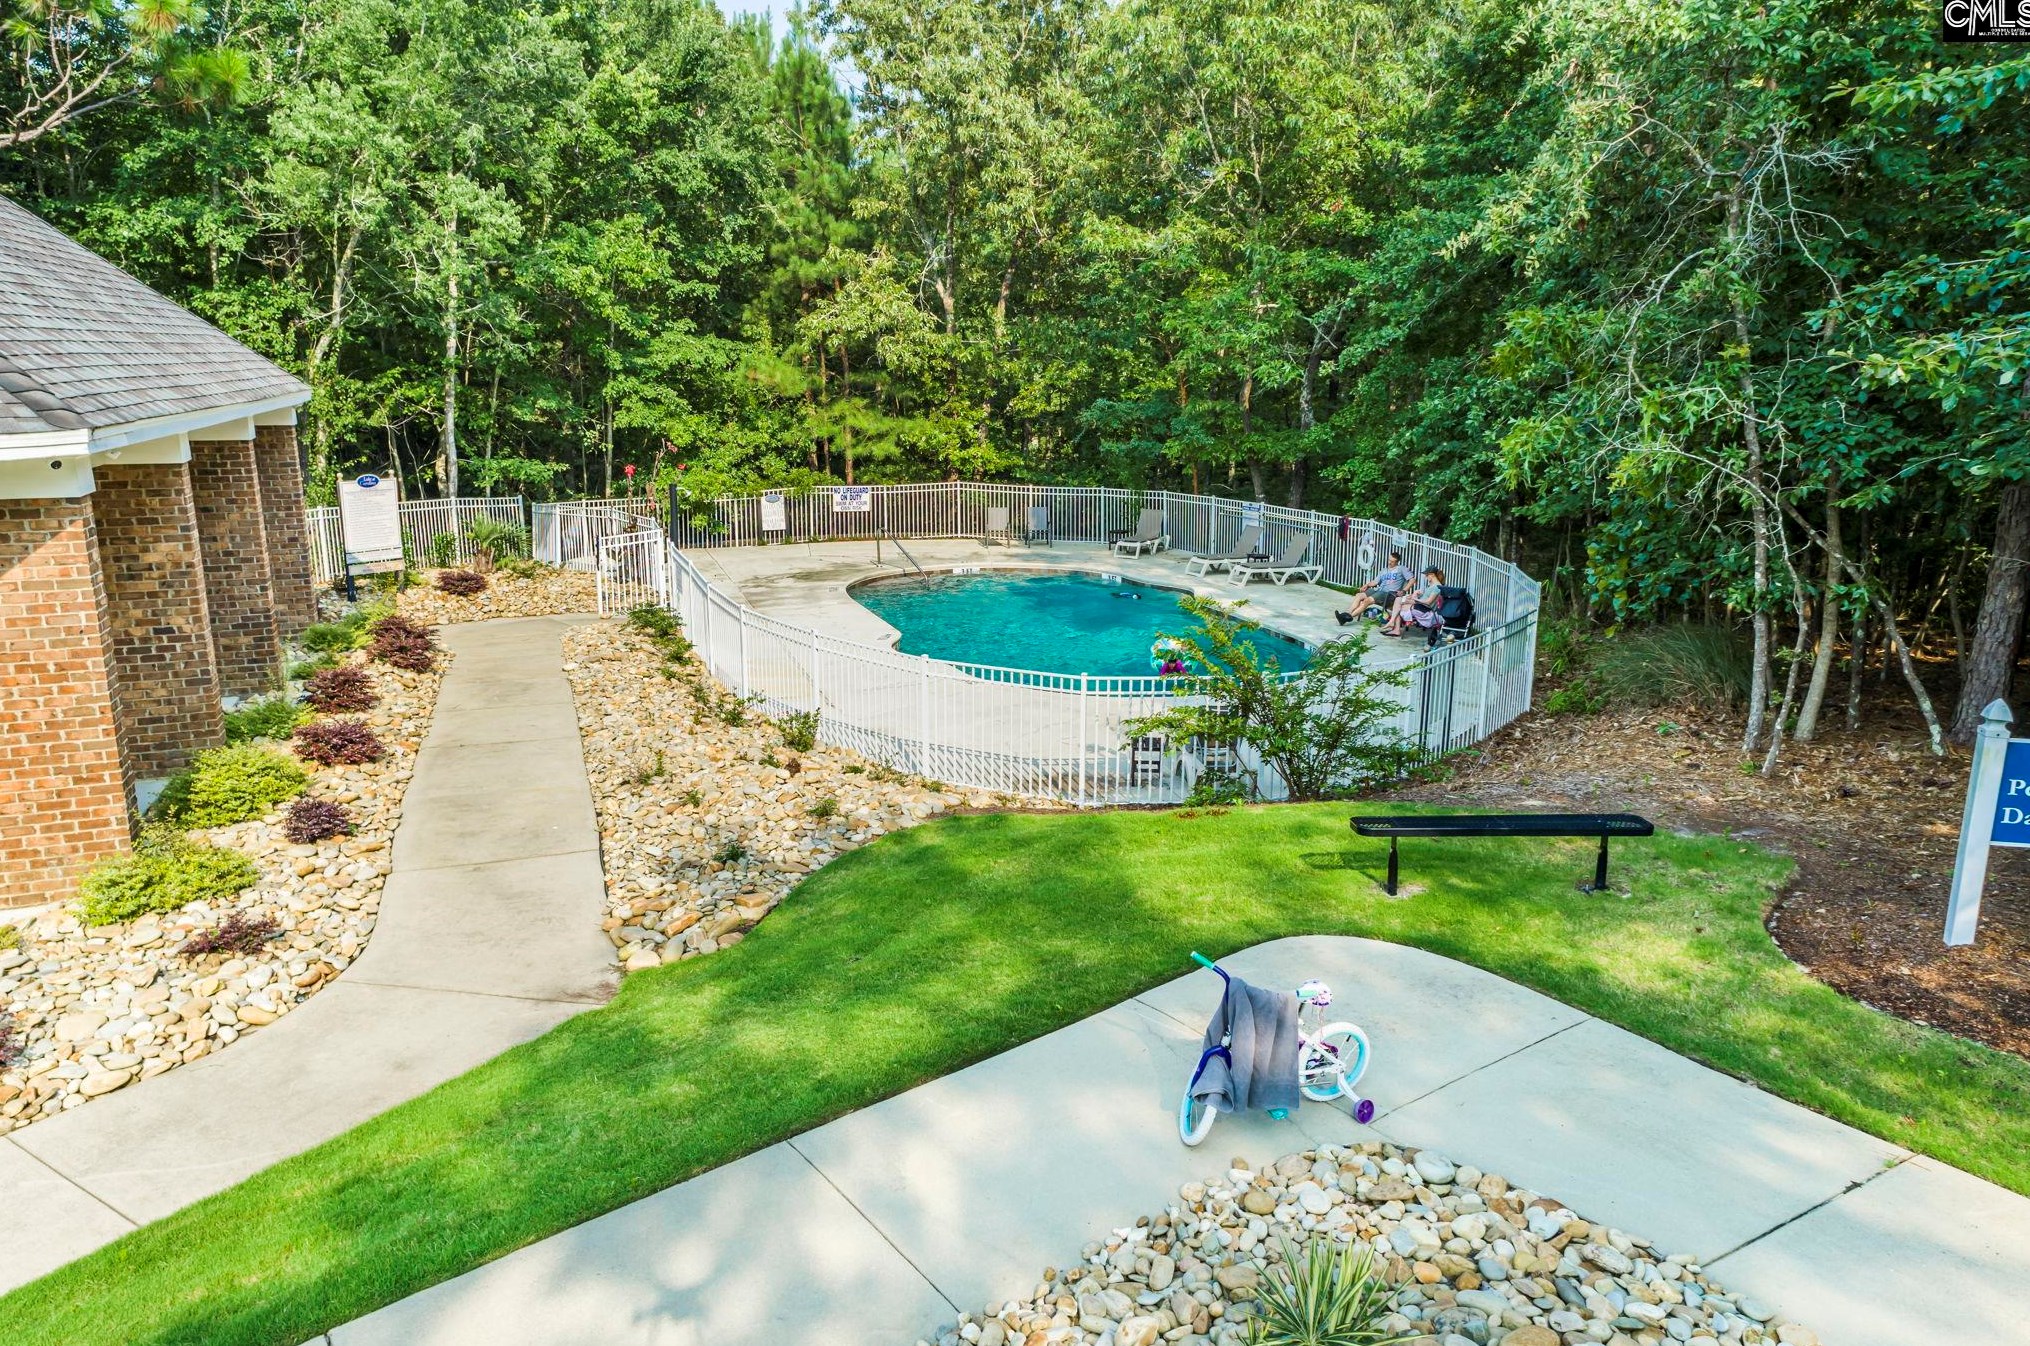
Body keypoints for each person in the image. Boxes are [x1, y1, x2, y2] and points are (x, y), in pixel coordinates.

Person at [1336, 552, 1413, 625]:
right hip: (1379, 590)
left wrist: (1404, 590)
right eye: (1389, 560)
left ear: (1397, 562)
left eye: (1392, 561)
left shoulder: (1401, 569)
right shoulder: (1384, 570)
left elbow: (1412, 580)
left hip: (1389, 594)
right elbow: (1375, 582)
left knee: (1367, 600)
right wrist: (1367, 585)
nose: (1389, 562)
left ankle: (1347, 617)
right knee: (1359, 595)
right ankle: (1347, 614)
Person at [1382, 566, 1444, 636]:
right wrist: (1417, 595)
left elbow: (1428, 602)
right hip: (1420, 605)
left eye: (1426, 575)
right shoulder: (1433, 586)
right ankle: (1393, 624)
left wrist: (1415, 598)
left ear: (1432, 575)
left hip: (1424, 609)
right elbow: (1425, 598)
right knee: (1398, 600)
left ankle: (1394, 626)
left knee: (1397, 606)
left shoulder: (1437, 587)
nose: (1426, 577)